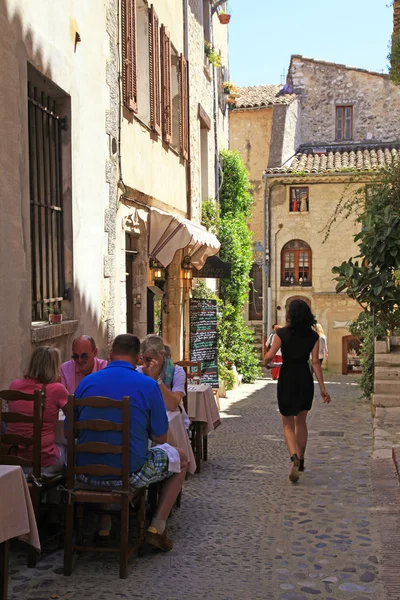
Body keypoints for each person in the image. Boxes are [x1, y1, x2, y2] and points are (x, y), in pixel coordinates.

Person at [70, 334, 187, 551]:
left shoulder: (86, 383)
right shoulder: (147, 385)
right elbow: (161, 438)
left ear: (111, 355)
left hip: (85, 472)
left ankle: (104, 526)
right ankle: (157, 527)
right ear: (138, 359)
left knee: (103, 448)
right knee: (181, 459)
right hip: (128, 474)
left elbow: (70, 430)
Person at [263, 299, 331, 483]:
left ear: (290, 314)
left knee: (287, 423)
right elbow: (315, 362)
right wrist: (323, 389)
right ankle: (301, 460)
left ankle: (293, 457)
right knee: (301, 421)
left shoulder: (282, 333)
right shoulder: (313, 337)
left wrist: (265, 363)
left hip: (287, 378)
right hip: (304, 377)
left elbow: (269, 356)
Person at [8, 345, 68, 476]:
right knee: (68, 450)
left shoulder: (14, 385)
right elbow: (73, 415)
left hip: (15, 460)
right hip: (42, 461)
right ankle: (57, 494)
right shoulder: (56, 389)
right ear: (54, 367)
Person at [138, 334, 190, 429]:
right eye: (143, 359)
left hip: (173, 421)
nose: (145, 363)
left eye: (149, 359)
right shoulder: (140, 371)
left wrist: (156, 379)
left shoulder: (177, 371)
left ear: (161, 354)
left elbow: (173, 404)